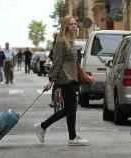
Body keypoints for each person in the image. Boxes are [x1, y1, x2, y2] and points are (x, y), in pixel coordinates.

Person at [34, 15, 94, 146]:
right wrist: (51, 80)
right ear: (65, 26)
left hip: (72, 77)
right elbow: (57, 61)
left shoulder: (70, 40)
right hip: (65, 78)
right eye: (71, 24)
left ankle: (51, 129)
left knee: (70, 109)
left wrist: (84, 75)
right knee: (70, 109)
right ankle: (67, 135)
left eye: (75, 24)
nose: (74, 26)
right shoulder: (61, 41)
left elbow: (74, 62)